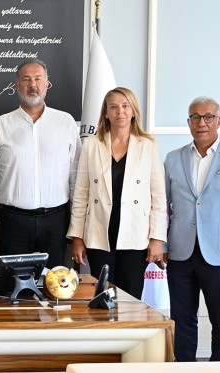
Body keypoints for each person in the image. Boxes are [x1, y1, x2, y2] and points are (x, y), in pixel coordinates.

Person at [164, 96, 220, 362]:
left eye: (208, 117)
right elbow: (162, 206)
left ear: (219, 121)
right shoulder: (173, 158)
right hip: (180, 252)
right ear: (189, 122)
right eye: (195, 117)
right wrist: (163, 244)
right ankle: (184, 367)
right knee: (182, 318)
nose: (201, 122)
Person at [67, 87, 166, 299]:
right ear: (105, 113)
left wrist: (157, 238)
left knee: (131, 298)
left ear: (133, 111)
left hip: (135, 234)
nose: (120, 111)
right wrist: (77, 237)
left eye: (125, 106)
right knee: (102, 297)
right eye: (113, 107)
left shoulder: (148, 145)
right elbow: (81, 193)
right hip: (99, 232)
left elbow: (158, 196)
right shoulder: (91, 144)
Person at [0, 58, 80, 268]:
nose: (32, 85)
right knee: (13, 284)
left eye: (38, 79)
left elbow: (76, 176)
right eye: (26, 79)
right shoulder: (0, 125)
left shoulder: (65, 122)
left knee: (53, 282)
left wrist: (77, 228)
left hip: (56, 222)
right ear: (16, 85)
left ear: (47, 83)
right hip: (11, 222)